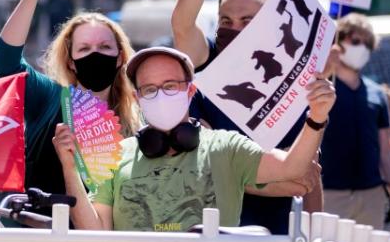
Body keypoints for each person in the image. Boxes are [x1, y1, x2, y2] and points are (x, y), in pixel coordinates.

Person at [54, 47, 336, 232]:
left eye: (170, 86)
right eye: (149, 89)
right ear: (138, 98)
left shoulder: (226, 146)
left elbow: (292, 168)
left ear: (190, 91)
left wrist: (317, 117)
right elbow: (94, 231)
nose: (160, 94)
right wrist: (69, 166)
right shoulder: (117, 155)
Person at [170, 0, 321, 233]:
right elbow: (182, 25)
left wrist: (315, 236)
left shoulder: (292, 76)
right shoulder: (206, 60)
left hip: (277, 230)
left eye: (247, 21)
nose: (234, 27)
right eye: (225, 20)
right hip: (213, 225)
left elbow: (309, 176)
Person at [0, 0, 138, 205]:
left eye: (104, 47)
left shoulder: (135, 115)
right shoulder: (49, 98)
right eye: (84, 49)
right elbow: (6, 63)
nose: (95, 54)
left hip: (97, 237)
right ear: (70, 61)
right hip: (37, 232)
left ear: (119, 57)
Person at [322, 14, 390, 233]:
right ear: (338, 42)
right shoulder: (320, 87)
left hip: (371, 195)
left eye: (367, 43)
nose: (361, 48)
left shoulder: (377, 94)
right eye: (354, 40)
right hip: (328, 194)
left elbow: (386, 151)